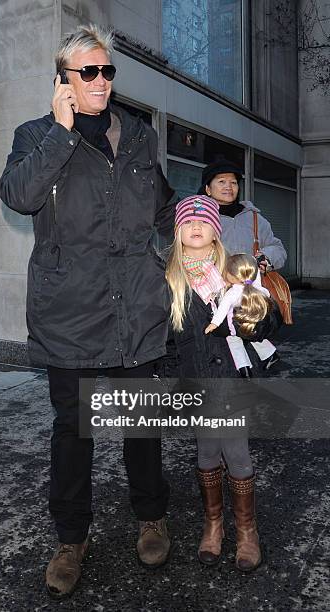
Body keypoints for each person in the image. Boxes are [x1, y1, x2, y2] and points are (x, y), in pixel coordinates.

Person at [0, 24, 175, 597]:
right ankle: (71, 537)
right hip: (70, 313)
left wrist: (203, 248)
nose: (102, 81)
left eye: (107, 71)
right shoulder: (35, 135)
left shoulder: (141, 137)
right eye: (89, 72)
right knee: (74, 431)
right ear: (64, 81)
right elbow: (20, 196)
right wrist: (61, 132)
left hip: (137, 309)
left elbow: (167, 208)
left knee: (142, 426)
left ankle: (151, 517)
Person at [165, 195, 282, 572]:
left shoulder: (235, 269)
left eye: (203, 222)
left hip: (232, 378)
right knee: (206, 453)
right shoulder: (167, 276)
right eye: (187, 222)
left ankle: (246, 529)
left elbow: (268, 317)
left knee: (237, 452)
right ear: (177, 230)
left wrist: (254, 318)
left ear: (216, 232)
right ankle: (213, 523)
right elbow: (162, 337)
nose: (195, 227)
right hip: (196, 380)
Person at [198, 158, 285, 370]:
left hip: (250, 297)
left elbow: (278, 249)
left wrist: (265, 259)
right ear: (208, 189)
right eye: (222, 181)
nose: (229, 186)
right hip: (213, 296)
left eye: (234, 182)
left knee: (252, 339)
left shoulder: (254, 218)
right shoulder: (200, 218)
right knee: (221, 347)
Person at [204, 253, 278, 378]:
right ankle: (271, 354)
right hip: (254, 321)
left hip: (235, 324)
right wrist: (253, 261)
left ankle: (244, 368)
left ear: (232, 275)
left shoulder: (233, 293)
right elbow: (256, 277)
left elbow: (222, 309)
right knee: (253, 337)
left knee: (234, 342)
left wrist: (214, 324)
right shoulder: (257, 287)